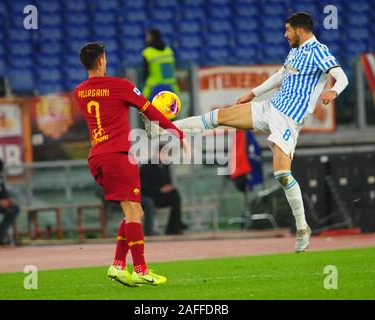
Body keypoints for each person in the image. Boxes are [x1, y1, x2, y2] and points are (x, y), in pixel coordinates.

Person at [144, 12, 349, 253]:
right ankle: (163, 128)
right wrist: (253, 93)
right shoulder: (295, 50)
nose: (285, 34)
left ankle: (303, 227)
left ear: (300, 31)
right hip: (270, 107)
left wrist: (334, 91)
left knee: (282, 174)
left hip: (288, 119)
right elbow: (281, 75)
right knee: (220, 116)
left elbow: (341, 76)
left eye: (288, 30)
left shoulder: (318, 51)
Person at [74, 42, 188, 287]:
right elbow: (151, 111)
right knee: (134, 213)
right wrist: (177, 132)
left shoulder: (80, 92)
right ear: (102, 61)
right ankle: (140, 269)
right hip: (118, 155)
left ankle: (117, 265)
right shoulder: (120, 86)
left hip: (97, 157)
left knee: (134, 212)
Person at [140, 153, 187, 235]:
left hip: (160, 196)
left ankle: (173, 227)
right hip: (149, 195)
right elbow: (144, 188)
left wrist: (169, 187)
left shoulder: (165, 166)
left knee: (175, 194)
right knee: (149, 203)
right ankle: (173, 227)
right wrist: (160, 190)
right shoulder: (146, 167)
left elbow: (168, 182)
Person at [142, 28, 180, 100]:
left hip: (153, 88)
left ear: (151, 37)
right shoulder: (169, 51)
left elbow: (145, 73)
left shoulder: (148, 52)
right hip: (172, 87)